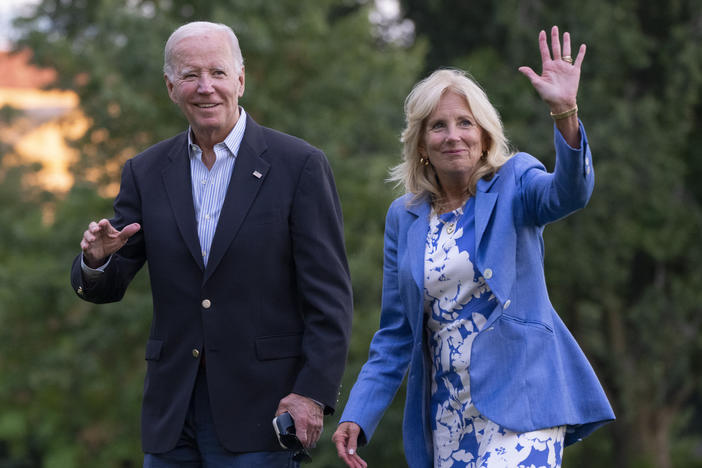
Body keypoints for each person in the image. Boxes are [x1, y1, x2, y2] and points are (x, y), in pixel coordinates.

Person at [70, 21, 353, 467]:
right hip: (172, 413)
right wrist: (95, 260)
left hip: (265, 410)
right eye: (190, 75)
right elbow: (106, 286)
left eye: (218, 73)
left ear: (241, 79)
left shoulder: (299, 166)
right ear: (170, 86)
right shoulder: (145, 172)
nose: (206, 88)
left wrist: (312, 393)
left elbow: (331, 298)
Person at [332, 26, 614, 468]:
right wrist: (359, 414)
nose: (453, 135)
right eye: (438, 126)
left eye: (465, 123)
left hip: (524, 403)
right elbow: (395, 335)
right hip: (449, 414)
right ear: (422, 144)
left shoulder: (515, 183)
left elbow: (569, 193)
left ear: (484, 136)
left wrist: (565, 113)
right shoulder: (403, 217)